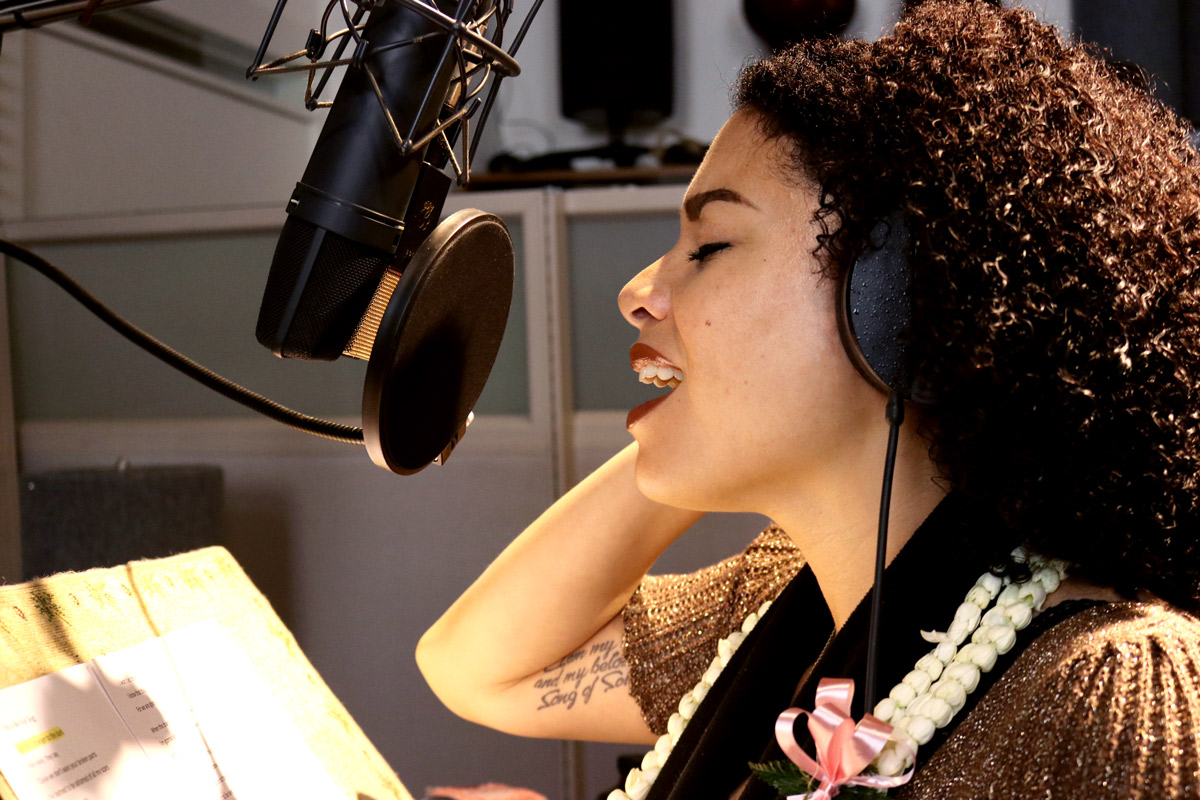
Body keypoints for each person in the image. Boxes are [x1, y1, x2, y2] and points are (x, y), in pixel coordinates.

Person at [416, 1, 1200, 797]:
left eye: (709, 246)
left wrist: (714, 408)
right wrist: (701, 412)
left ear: (899, 305)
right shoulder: (802, 599)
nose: (637, 293)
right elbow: (478, 668)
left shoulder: (1115, 689)